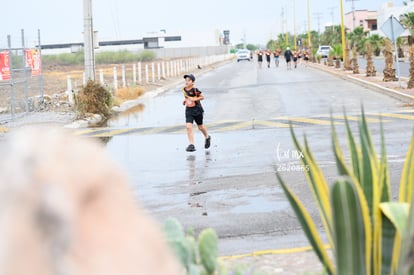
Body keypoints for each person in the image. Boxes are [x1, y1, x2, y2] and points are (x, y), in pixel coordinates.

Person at [182, 74, 211, 152]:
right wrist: (185, 101)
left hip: (197, 109)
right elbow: (187, 98)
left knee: (200, 127)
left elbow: (202, 97)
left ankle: (207, 137)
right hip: (189, 110)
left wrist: (194, 99)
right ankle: (192, 145)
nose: (187, 82)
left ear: (193, 82)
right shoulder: (184, 89)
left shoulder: (195, 90)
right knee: (188, 127)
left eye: (189, 80)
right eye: (186, 80)